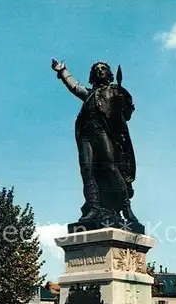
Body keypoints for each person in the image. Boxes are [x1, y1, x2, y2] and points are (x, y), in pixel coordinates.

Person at [51, 59, 138, 224]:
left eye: (103, 68)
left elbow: (126, 115)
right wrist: (62, 71)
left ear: (109, 74)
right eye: (96, 69)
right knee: (87, 170)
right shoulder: (89, 94)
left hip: (102, 132)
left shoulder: (116, 91)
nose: (99, 70)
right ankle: (94, 207)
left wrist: (122, 103)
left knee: (110, 167)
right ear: (92, 75)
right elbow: (75, 87)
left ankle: (126, 208)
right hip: (85, 134)